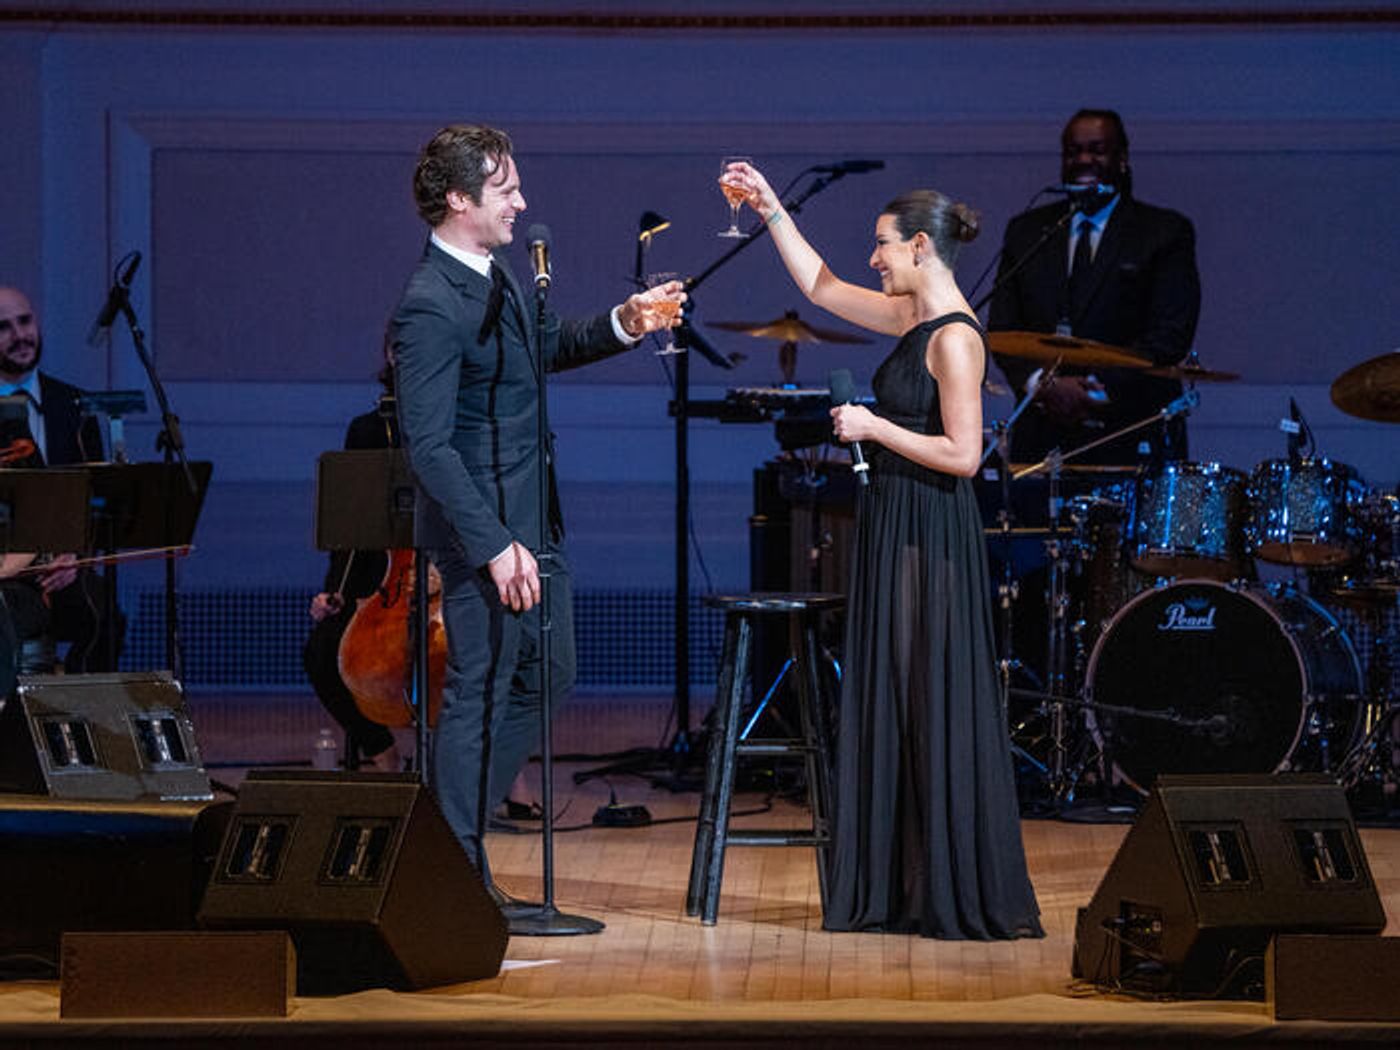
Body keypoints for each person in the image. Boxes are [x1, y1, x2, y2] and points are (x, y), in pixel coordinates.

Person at [723, 160, 1042, 938]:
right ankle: (902, 887)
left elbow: (966, 457)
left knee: (927, 695)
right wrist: (770, 208)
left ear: (922, 248)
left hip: (931, 529)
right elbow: (822, 288)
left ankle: (946, 890)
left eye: (883, 245)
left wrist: (874, 427)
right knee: (897, 692)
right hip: (896, 520)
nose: (874, 258)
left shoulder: (956, 340)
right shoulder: (911, 320)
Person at [390, 124, 683, 896]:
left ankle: (448, 840)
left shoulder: (500, 274)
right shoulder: (429, 304)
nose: (523, 201)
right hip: (484, 531)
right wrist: (492, 545)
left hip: (533, 514)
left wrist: (629, 321)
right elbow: (428, 447)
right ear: (459, 200)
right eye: (506, 189)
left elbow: (544, 349)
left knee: (551, 672)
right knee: (479, 688)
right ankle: (449, 868)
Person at [987, 109, 1201, 466]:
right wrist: (1043, 384)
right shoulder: (1027, 231)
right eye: (1073, 151)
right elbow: (1004, 330)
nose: (1084, 159)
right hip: (1042, 434)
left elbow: (1170, 335)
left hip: (1130, 430)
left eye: (1097, 149)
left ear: (1122, 158)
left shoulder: (1163, 231)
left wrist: (1091, 390)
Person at [0, 285, 123, 675]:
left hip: (62, 566)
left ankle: (76, 714)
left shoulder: (73, 405)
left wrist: (76, 556)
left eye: (25, 321)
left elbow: (97, 501)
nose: (20, 335)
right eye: (3, 327)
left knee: (106, 616)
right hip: (5, 570)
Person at [302, 349, 403, 774]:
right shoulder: (368, 430)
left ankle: (506, 774)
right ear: (392, 355)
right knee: (324, 653)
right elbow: (353, 526)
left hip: (456, 580)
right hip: (387, 582)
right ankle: (384, 754)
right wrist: (336, 591)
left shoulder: (463, 418)